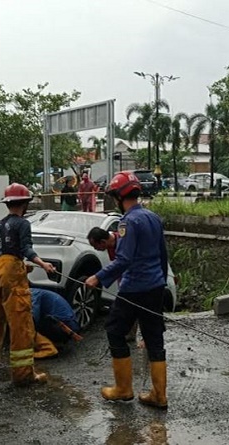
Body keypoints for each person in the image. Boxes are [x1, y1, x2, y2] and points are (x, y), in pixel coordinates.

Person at [85, 172, 170, 409]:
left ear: (119, 197)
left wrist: (97, 277)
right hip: (155, 286)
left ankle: (123, 389)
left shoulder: (127, 223)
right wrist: (161, 282)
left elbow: (123, 260)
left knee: (114, 331)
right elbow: (163, 255)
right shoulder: (153, 217)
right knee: (155, 339)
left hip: (134, 288)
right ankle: (159, 395)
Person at [0, 183, 56, 385]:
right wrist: (43, 264)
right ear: (25, 204)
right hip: (10, 273)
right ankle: (23, 375)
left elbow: (3, 252)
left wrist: (20, 266)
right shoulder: (23, 224)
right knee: (20, 323)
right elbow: (26, 249)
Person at [88, 227, 142, 345]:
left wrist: (98, 278)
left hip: (137, 276)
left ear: (102, 242)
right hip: (124, 278)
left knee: (137, 307)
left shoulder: (124, 240)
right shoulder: (110, 246)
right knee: (128, 307)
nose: (95, 249)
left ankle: (144, 337)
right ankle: (130, 333)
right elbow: (116, 265)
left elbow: (122, 262)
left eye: (95, 246)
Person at [31, 287, 81, 359]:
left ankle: (48, 349)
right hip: (70, 326)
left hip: (64, 326)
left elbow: (33, 318)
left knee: (27, 323)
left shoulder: (32, 294)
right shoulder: (37, 292)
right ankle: (54, 343)